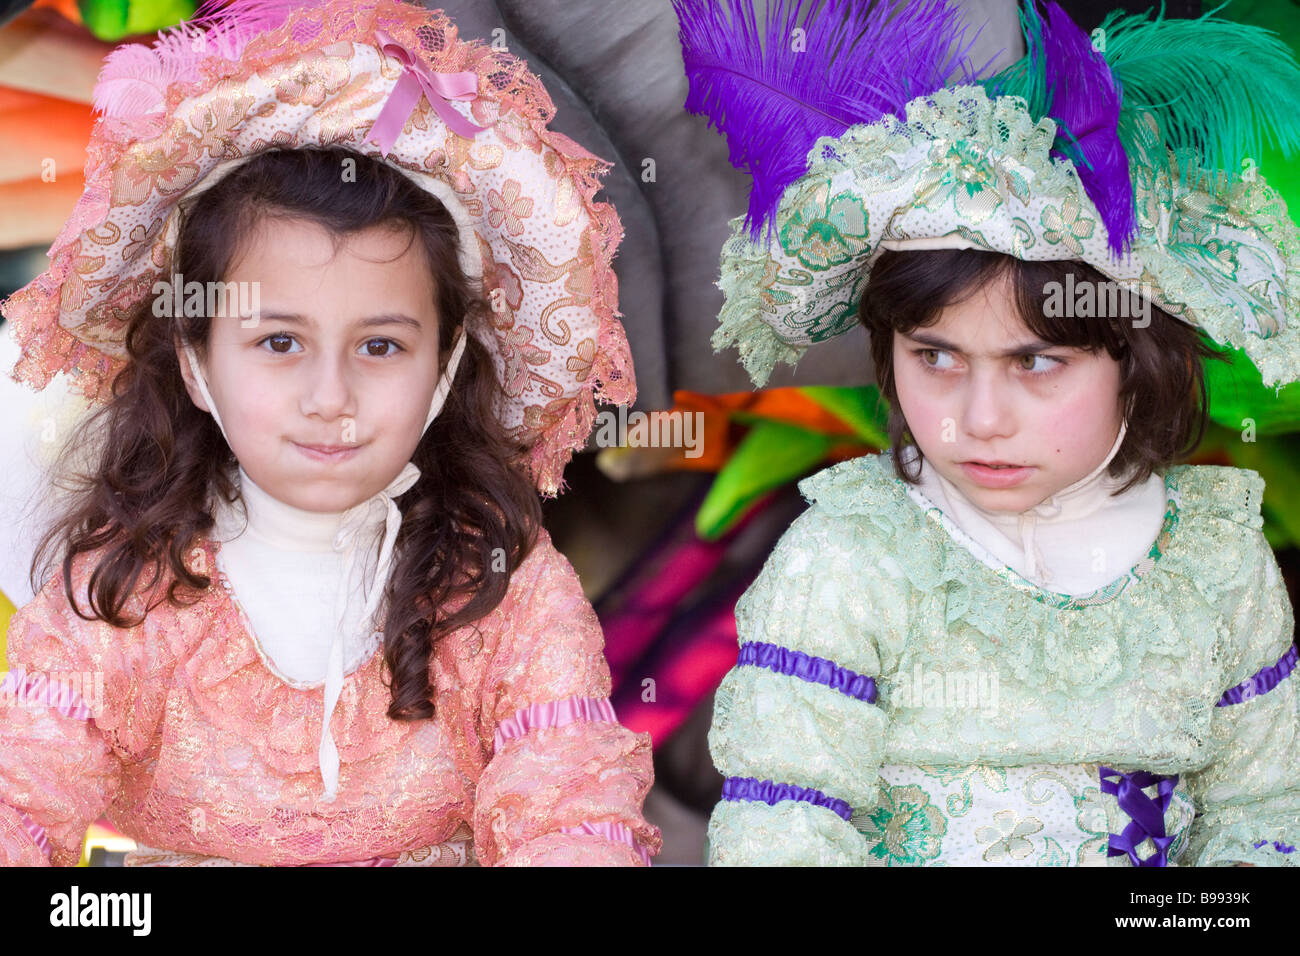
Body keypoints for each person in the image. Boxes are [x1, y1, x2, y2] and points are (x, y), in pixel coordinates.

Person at [0, 0, 659, 867]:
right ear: (195, 364)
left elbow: (572, 813)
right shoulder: (125, 590)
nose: (329, 396)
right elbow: (21, 797)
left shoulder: (510, 591)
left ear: (447, 366)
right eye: (279, 343)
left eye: (380, 346)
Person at [675, 0, 1300, 865]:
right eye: (935, 357)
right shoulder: (849, 561)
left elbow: (1265, 815)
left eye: (1037, 363)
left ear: (1135, 356)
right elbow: (782, 831)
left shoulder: (1219, 564)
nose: (978, 420)